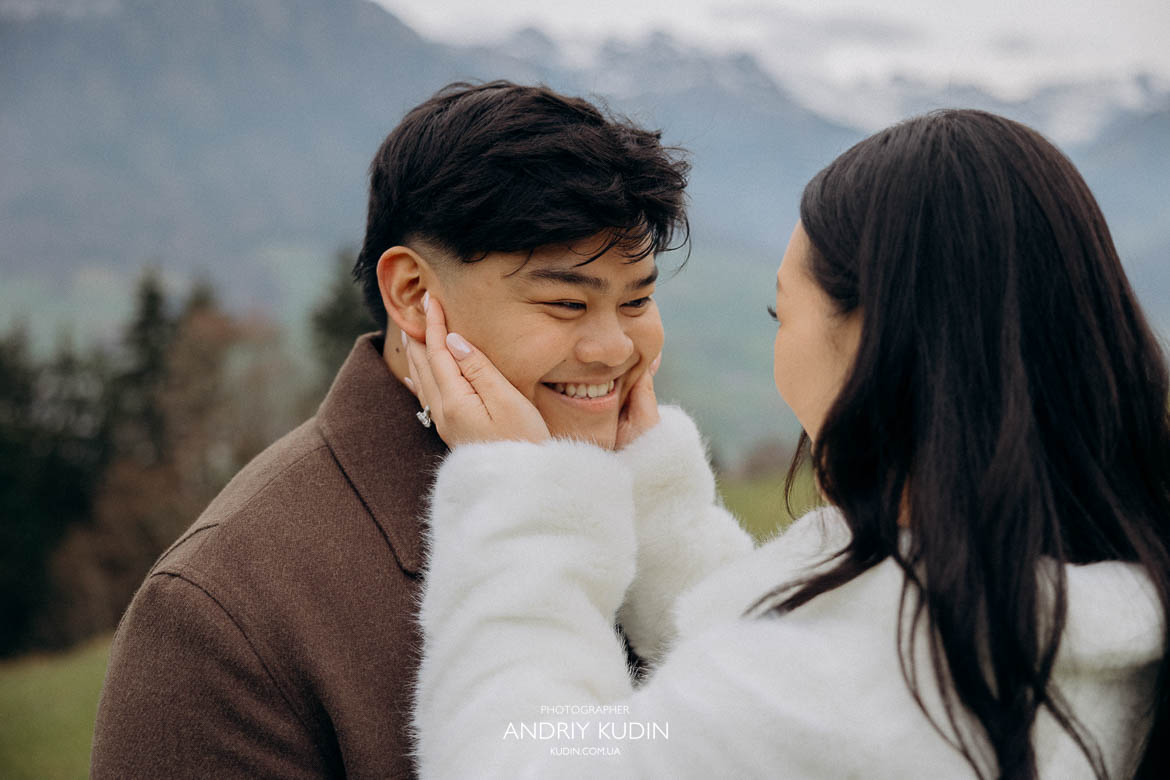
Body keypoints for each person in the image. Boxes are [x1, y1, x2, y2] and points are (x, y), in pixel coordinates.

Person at [405, 109, 1170, 778]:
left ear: (875, 339)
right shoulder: (1099, 613)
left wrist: (518, 493)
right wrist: (655, 498)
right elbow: (802, 647)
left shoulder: (836, 700)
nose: (613, 348)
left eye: (782, 314)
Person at [90, 81, 689, 778]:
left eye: (639, 298)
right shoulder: (220, 615)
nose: (615, 348)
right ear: (412, 293)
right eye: (565, 302)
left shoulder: (638, 507)